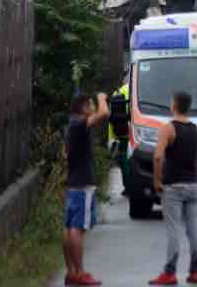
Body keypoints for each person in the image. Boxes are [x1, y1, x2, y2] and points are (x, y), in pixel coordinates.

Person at [149, 91, 197, 285]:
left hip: (173, 186)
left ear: (173, 105)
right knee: (194, 228)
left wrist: (157, 180)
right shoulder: (196, 130)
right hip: (193, 185)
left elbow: (157, 156)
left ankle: (170, 272)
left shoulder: (168, 129)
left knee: (173, 229)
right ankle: (196, 271)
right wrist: (195, 178)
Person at [64, 92, 110, 287]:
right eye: (90, 104)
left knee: (69, 228)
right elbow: (104, 113)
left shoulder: (72, 124)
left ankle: (71, 272)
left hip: (74, 182)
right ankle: (80, 272)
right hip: (82, 184)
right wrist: (102, 98)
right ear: (83, 108)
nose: (93, 107)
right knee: (77, 228)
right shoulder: (79, 125)